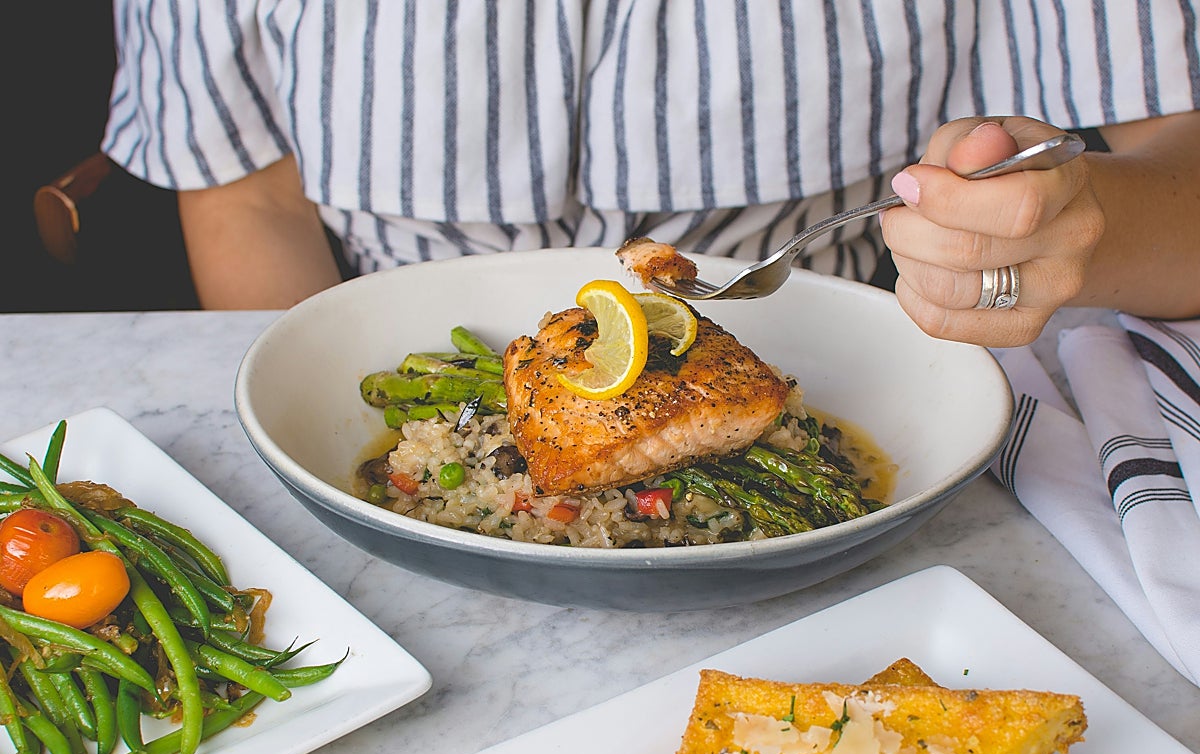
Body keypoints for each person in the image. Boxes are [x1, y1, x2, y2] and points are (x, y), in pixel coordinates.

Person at [102, 2, 1199, 347]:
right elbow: (247, 194)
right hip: (394, 374)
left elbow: (1180, 174)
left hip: (858, 363)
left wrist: (1068, 226)